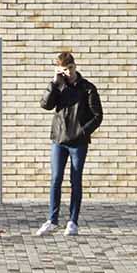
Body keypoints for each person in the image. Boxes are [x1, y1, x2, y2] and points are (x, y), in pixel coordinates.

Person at [36, 49, 103, 236]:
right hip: (59, 139)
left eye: (71, 68)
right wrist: (54, 84)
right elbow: (45, 105)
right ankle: (52, 220)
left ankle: (73, 222)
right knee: (56, 179)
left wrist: (83, 132)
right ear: (59, 70)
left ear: (75, 65)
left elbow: (98, 116)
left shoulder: (87, 88)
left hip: (78, 143)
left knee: (75, 180)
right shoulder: (59, 86)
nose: (69, 72)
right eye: (64, 69)